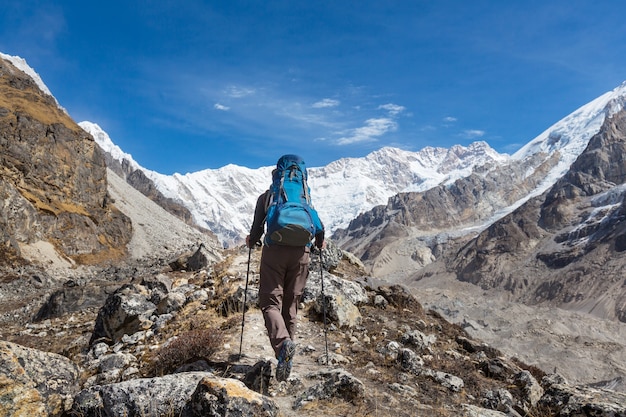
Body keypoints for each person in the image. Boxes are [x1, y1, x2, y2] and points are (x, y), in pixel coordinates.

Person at [246, 155, 325, 382]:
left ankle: (283, 348)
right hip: (302, 254)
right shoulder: (304, 197)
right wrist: (319, 244)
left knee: (270, 302)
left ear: (277, 174)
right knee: (291, 303)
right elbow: (318, 227)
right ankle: (286, 356)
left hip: (275, 252)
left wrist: (251, 241)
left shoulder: (268, 197)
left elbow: (256, 231)